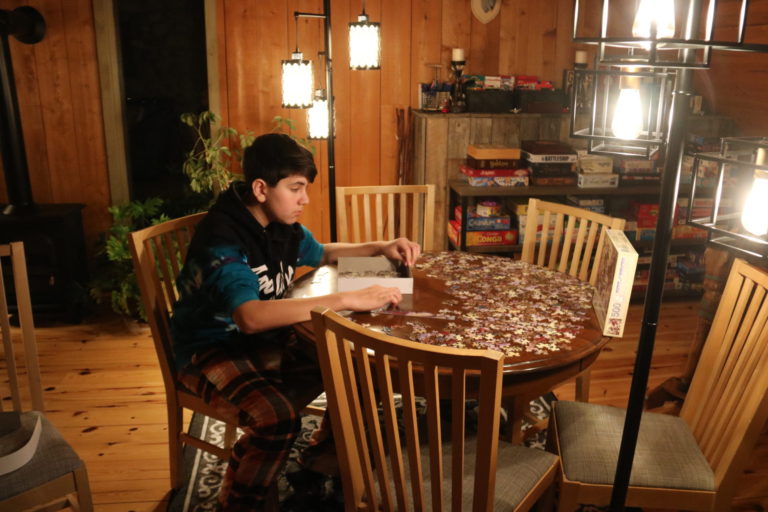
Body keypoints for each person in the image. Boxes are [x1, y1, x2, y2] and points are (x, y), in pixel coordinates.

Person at [171, 132, 420, 511]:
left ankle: (318, 464)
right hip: (207, 350)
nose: (304, 199)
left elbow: (322, 253)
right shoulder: (223, 239)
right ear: (260, 188)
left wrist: (380, 247)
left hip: (262, 341)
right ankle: (240, 502)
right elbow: (250, 317)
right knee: (277, 419)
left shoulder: (280, 225)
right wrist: (345, 299)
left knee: (351, 368)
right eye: (296, 188)